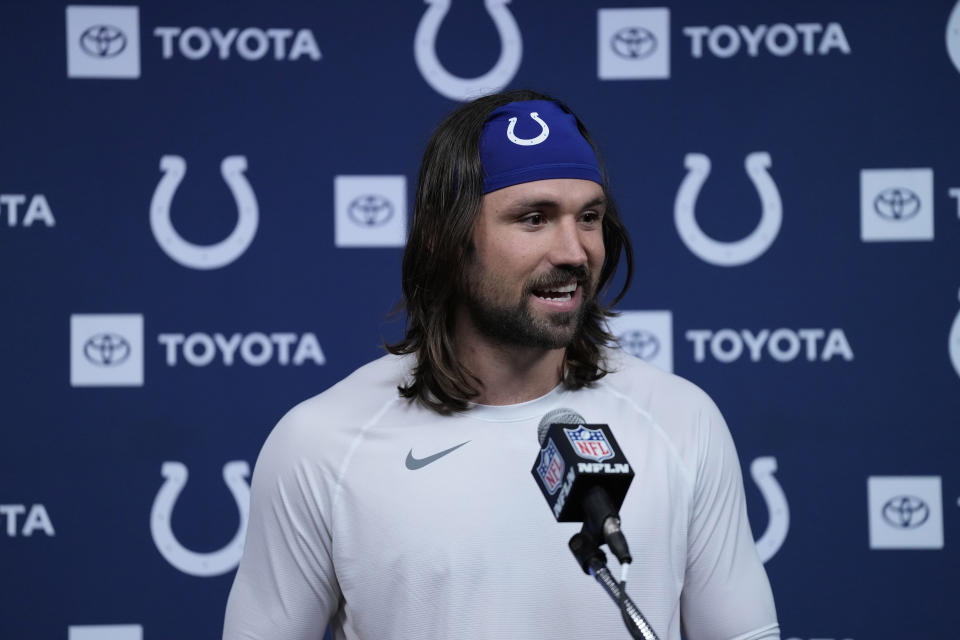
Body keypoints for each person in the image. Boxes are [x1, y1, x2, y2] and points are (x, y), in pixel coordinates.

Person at [223, 89, 780, 640]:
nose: (574, 250)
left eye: (589, 217)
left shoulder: (682, 421)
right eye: (534, 218)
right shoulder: (321, 443)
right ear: (449, 240)